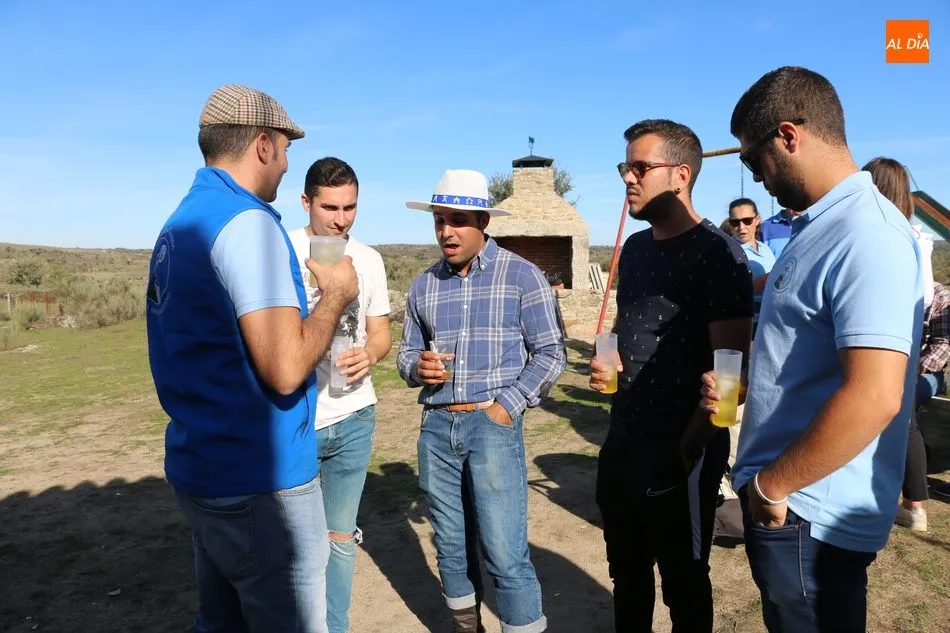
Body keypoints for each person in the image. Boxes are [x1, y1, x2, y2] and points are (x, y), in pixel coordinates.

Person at [704, 66, 922, 633]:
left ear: (788, 136)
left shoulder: (867, 233)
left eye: (753, 159)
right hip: (794, 504)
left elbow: (876, 395)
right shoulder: (820, 227)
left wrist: (773, 486)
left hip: (807, 512)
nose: (755, 177)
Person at [146, 85, 358, 633]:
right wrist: (336, 294)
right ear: (263, 145)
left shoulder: (182, 223)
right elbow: (284, 368)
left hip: (203, 468)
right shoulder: (249, 224)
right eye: (285, 150)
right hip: (262, 481)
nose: (286, 165)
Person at [588, 119, 754, 632]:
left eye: (640, 167)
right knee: (627, 576)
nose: (628, 178)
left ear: (681, 175)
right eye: (625, 167)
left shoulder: (719, 254)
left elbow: (733, 375)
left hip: (683, 452)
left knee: (684, 583)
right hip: (623, 441)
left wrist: (689, 449)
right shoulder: (635, 249)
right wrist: (610, 357)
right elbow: (627, 326)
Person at [396, 169, 566, 633]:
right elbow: (406, 354)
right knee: (451, 548)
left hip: (491, 425)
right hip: (436, 429)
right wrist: (417, 368)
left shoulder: (522, 275)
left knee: (504, 553)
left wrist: (503, 408)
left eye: (458, 220)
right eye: (439, 220)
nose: (446, 231)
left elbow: (551, 354)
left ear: (483, 222)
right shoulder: (424, 285)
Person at [287, 157, 392, 633]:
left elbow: (381, 333)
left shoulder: (369, 259)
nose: (340, 219)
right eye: (329, 207)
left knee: (341, 538)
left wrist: (370, 354)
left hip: (354, 416)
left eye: (350, 207)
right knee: (296, 543)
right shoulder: (283, 250)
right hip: (298, 417)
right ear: (306, 202)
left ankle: (336, 626)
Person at [863, 156, 934, 533]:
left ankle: (896, 500)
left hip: (884, 333)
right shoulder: (918, 237)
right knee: (904, 420)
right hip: (910, 334)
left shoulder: (882, 234)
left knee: (884, 415)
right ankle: (914, 504)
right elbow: (927, 293)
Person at [727, 198, 776, 330]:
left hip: (771, 320)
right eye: (735, 222)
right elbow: (730, 295)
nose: (741, 227)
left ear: (757, 220)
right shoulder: (727, 253)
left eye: (747, 220)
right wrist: (767, 278)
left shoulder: (765, 248)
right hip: (747, 324)